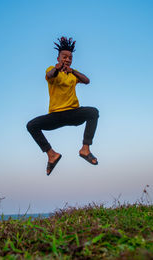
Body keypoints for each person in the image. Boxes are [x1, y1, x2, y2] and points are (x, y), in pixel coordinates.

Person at [26, 36, 99, 175]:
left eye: (70, 57)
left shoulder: (72, 75)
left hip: (73, 113)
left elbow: (87, 80)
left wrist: (73, 71)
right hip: (56, 115)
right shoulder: (52, 71)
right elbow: (50, 74)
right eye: (64, 57)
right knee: (31, 125)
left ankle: (85, 149)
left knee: (93, 112)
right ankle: (52, 155)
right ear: (58, 58)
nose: (67, 59)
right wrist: (56, 68)